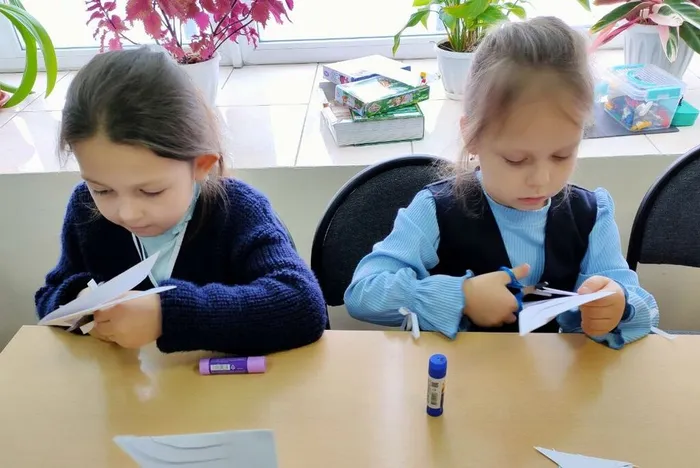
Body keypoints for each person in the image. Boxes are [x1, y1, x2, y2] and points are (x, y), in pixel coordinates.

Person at [344, 17, 659, 349]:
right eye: (516, 159)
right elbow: (363, 292)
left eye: (561, 155)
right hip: (459, 374)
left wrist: (619, 306)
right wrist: (460, 296)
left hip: (552, 377)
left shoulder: (592, 215)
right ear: (472, 137)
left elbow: (644, 310)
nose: (541, 180)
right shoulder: (435, 210)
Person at [35, 47, 327, 354]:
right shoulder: (85, 211)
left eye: (151, 191)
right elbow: (49, 296)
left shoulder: (238, 211)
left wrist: (168, 316)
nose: (128, 213)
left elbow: (304, 306)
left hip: (231, 380)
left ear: (201, 165)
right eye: (102, 190)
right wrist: (80, 303)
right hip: (135, 382)